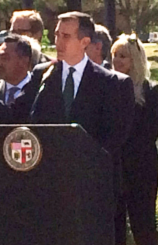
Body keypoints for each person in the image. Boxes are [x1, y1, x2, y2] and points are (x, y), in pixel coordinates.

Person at [110, 33, 158, 245]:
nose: (117, 61)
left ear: (135, 59)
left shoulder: (149, 91)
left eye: (123, 56)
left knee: (145, 231)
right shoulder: (107, 88)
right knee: (115, 233)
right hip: (113, 171)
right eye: (114, 56)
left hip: (141, 170)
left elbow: (150, 133)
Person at [30, 11, 125, 157]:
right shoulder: (43, 74)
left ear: (85, 42)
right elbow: (23, 114)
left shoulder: (106, 81)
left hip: (88, 171)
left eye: (66, 36)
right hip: (49, 170)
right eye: (57, 35)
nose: (58, 42)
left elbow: (112, 138)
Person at [0, 10, 53, 84]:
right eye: (12, 32)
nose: (15, 36)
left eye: (20, 32)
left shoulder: (51, 67)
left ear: (37, 34)